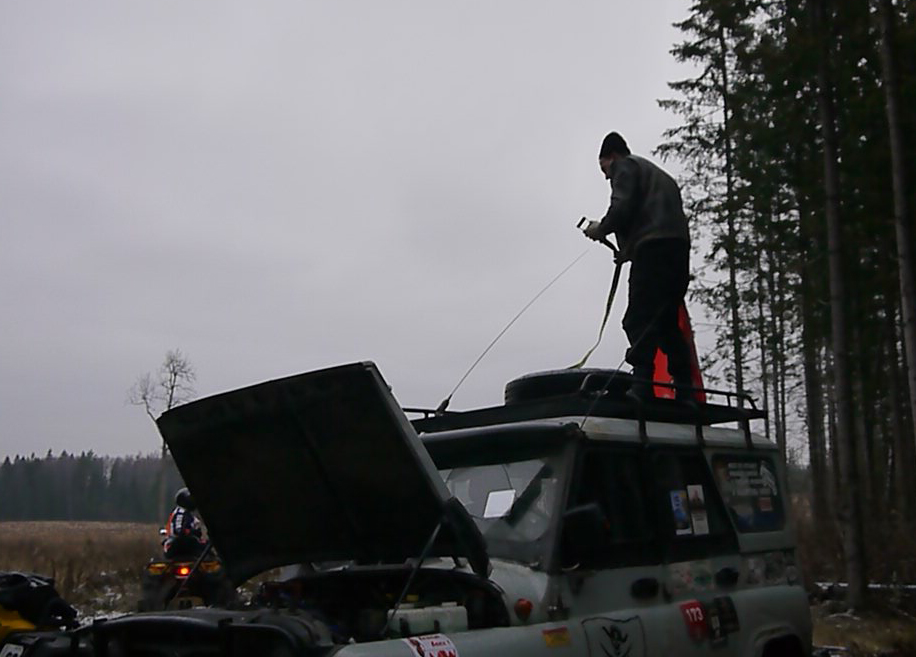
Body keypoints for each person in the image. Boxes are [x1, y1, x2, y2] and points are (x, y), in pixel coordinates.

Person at [581, 131, 692, 402]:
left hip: (652, 251)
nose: (607, 176)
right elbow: (649, 218)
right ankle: (686, 390)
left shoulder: (625, 166)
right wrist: (629, 252)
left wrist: (601, 229)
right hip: (677, 252)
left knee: (638, 318)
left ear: (613, 156)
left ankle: (642, 386)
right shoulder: (660, 176)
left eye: (604, 168)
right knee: (665, 320)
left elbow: (622, 208)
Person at [163, 487, 205, 558]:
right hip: (178, 546)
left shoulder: (187, 513)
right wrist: (193, 532)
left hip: (175, 547)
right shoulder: (181, 512)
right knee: (208, 553)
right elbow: (179, 531)